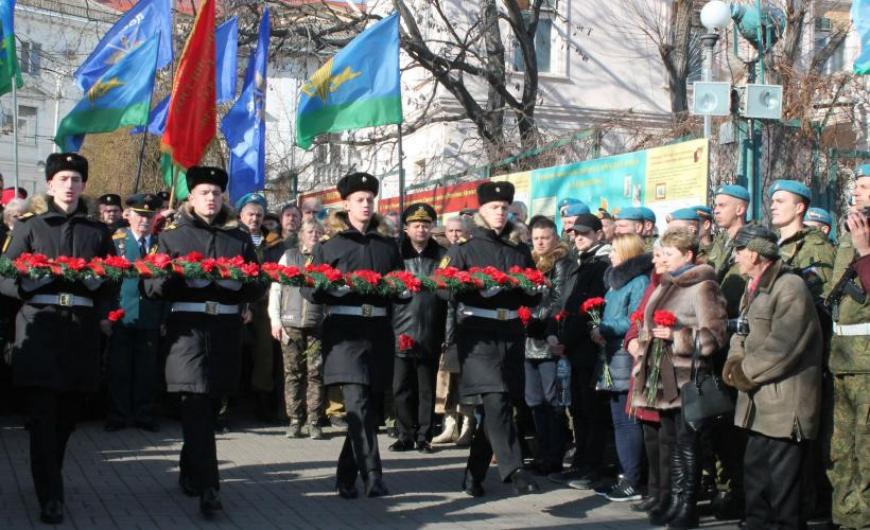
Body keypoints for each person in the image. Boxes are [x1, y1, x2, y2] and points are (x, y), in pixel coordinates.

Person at [142, 166, 266, 516]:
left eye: (216, 193)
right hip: (187, 332)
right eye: (204, 193)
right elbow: (150, 286)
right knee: (195, 403)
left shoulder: (238, 237)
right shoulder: (173, 235)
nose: (211, 198)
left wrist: (242, 284)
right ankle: (210, 488)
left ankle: (190, 466)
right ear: (191, 197)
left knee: (209, 409)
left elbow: (258, 282)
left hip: (224, 331)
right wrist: (171, 278)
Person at [0, 153, 116, 525]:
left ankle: (50, 474)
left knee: (67, 417)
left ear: (84, 185)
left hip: (80, 330)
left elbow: (114, 278)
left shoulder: (97, 232)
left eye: (76, 179)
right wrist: (29, 283)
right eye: (63, 178)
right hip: (41, 326)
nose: (69, 185)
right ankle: (50, 493)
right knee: (42, 415)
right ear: (50, 184)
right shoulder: (29, 227)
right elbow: (3, 276)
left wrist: (104, 307)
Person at [302, 172, 403, 499]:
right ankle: (373, 475)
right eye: (359, 200)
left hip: (378, 332)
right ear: (346, 205)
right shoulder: (330, 246)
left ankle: (345, 475)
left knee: (369, 410)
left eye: (370, 199)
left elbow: (402, 286)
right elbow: (309, 290)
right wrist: (330, 288)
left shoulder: (387, 245)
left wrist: (403, 291)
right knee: (357, 404)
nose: (365, 205)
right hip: (344, 334)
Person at [721, 224, 823, 530]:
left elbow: (784, 347)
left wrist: (742, 372)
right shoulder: (753, 286)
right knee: (757, 479)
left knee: (784, 490)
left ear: (754, 254)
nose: (736, 257)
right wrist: (734, 361)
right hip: (758, 404)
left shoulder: (790, 286)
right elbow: (741, 333)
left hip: (784, 404)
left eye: (739, 251)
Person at [444, 180, 541, 497]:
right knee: (496, 398)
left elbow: (534, 294)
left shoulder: (519, 250)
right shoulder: (465, 248)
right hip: (477, 334)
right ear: (481, 210)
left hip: (510, 333)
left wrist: (533, 290)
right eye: (494, 207)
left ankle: (473, 475)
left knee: (497, 408)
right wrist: (474, 287)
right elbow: (443, 287)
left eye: (504, 207)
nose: (500, 212)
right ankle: (515, 470)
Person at [631, 227, 728, 529]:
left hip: (689, 378)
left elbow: (714, 335)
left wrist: (677, 336)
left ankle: (687, 505)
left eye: (670, 254)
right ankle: (673, 501)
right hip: (663, 377)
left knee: (688, 444)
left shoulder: (703, 287)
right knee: (672, 442)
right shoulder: (665, 284)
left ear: (687, 255)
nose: (663, 258)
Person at [824, 163, 870, 530]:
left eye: (865, 186)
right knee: (841, 446)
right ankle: (845, 515)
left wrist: (865, 251)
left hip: (867, 361)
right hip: (841, 355)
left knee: (866, 446)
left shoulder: (860, 238)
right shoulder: (848, 233)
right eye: (856, 185)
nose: (856, 191)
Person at [593, 233, 652, 502]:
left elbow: (634, 320)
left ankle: (633, 479)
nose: (610, 255)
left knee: (628, 421)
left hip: (625, 354)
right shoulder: (614, 282)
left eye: (615, 250)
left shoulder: (638, 281)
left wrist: (605, 327)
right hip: (611, 353)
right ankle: (624, 473)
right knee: (618, 420)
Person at [555, 213, 611, 487]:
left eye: (585, 234)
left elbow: (590, 307)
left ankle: (593, 466)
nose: (578, 238)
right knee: (578, 409)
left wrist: (566, 339)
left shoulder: (601, 264)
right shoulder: (580, 262)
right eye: (575, 234)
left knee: (592, 410)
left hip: (589, 347)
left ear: (599, 234)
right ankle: (581, 462)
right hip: (575, 347)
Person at [389, 203, 448, 454]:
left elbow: (448, 295)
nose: (421, 229)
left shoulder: (443, 255)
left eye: (425, 225)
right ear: (406, 228)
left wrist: (447, 332)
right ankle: (405, 435)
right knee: (401, 387)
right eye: (416, 225)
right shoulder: (396, 253)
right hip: (400, 327)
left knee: (426, 388)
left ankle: (424, 436)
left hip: (431, 328)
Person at [105, 193, 165, 433]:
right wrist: (106, 315)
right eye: (140, 215)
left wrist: (165, 317)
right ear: (128, 215)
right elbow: (107, 282)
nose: (144, 220)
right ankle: (118, 415)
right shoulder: (115, 242)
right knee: (119, 369)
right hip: (121, 315)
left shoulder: (161, 244)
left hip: (151, 315)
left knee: (146, 370)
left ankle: (144, 414)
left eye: (150, 216)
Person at [524, 216, 573, 475]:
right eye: (536, 238)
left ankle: (554, 455)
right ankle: (541, 452)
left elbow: (558, 300)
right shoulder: (528, 261)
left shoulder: (561, 262)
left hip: (548, 337)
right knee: (534, 400)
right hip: (528, 339)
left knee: (551, 399)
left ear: (555, 237)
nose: (540, 242)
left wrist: (534, 317)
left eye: (545, 237)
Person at [269, 218, 326, 439]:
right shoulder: (289, 256)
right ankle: (294, 420)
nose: (314, 235)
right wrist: (275, 319)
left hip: (316, 323)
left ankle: (314, 421)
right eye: (310, 231)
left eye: (318, 232)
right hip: (290, 322)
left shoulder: (325, 257)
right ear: (301, 235)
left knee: (316, 373)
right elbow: (276, 288)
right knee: (292, 373)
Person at [236, 192, 285, 421]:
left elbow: (280, 272)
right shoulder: (234, 238)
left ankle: (262, 402)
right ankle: (229, 404)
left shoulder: (275, 243)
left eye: (258, 215)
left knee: (264, 355)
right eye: (250, 214)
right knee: (234, 353)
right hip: (239, 303)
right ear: (241, 215)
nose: (254, 219)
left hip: (266, 304)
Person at [769, 180, 835, 302]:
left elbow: (819, 300)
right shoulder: (771, 243)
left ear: (799, 208)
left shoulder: (814, 247)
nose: (772, 207)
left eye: (780, 201)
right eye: (772, 202)